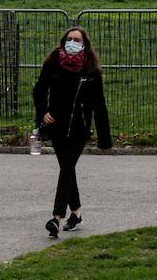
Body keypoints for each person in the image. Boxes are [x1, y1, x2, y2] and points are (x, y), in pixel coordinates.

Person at [32, 26, 111, 239]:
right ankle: (76, 213)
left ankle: (56, 217)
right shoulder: (53, 63)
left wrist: (104, 139)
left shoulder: (91, 71)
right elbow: (39, 89)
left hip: (79, 128)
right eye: (69, 39)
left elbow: (99, 104)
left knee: (66, 168)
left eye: (77, 39)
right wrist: (42, 112)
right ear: (63, 41)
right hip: (56, 126)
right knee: (67, 170)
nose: (73, 42)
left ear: (84, 44)